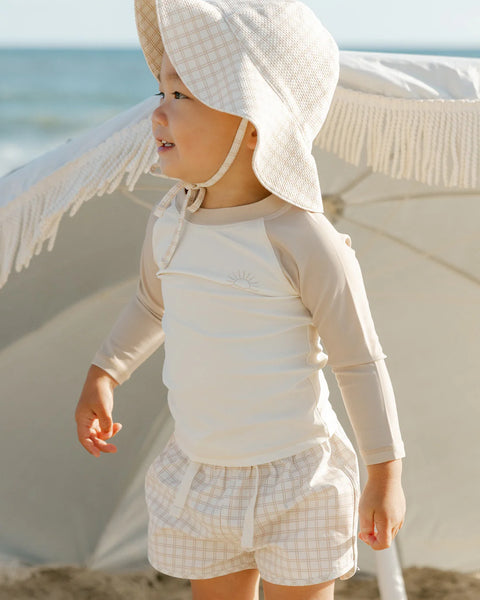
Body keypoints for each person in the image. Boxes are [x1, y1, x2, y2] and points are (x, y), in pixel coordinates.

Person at [75, 1, 406, 598]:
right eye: (160, 92)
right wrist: (105, 371)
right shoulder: (170, 222)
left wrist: (384, 473)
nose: (157, 112)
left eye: (181, 95)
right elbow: (152, 305)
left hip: (297, 479)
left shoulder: (302, 238)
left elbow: (359, 360)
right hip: (202, 476)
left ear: (254, 124)